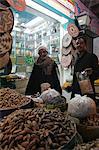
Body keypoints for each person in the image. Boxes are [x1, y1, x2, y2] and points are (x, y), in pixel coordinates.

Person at [71, 35, 99, 101]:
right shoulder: (76, 58)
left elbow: (97, 73)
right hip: (76, 91)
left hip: (87, 92)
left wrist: (92, 72)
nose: (79, 45)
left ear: (85, 45)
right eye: (77, 43)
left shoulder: (91, 57)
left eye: (81, 43)